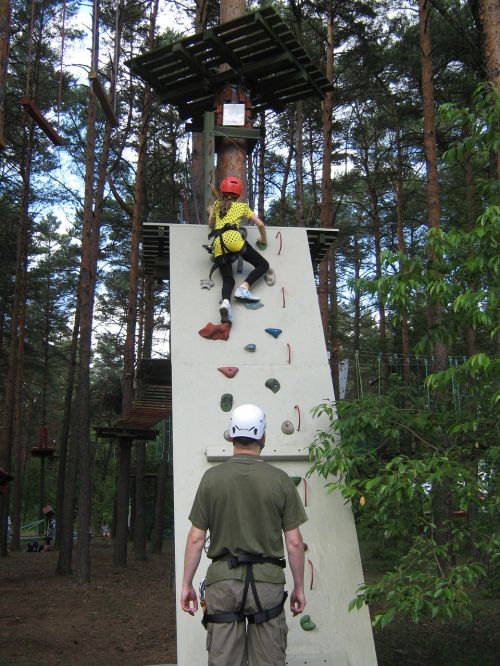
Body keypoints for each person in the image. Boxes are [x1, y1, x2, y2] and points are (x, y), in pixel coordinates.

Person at [181, 404, 307, 666]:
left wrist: (186, 584)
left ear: (231, 435)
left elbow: (195, 538)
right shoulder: (280, 480)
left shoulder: (211, 479)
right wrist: (298, 587)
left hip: (223, 583)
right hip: (268, 585)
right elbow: (294, 542)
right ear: (263, 436)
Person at [208, 176, 269, 324]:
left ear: (222, 191)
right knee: (263, 265)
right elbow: (260, 224)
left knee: (228, 279)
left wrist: (211, 212)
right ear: (239, 194)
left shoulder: (216, 205)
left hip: (217, 244)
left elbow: (211, 226)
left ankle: (226, 303)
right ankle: (244, 288)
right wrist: (263, 240)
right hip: (234, 240)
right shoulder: (242, 207)